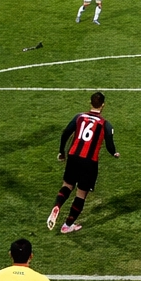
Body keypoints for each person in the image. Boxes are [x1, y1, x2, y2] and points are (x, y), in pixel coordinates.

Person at [47, 91, 120, 234]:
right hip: (89, 162)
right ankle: (67, 225)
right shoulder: (105, 124)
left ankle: (57, 205)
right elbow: (110, 146)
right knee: (81, 194)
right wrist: (114, 153)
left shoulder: (79, 117)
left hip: (73, 156)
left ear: (90, 103)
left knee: (67, 185)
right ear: (103, 105)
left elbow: (65, 133)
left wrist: (62, 152)